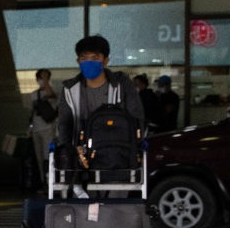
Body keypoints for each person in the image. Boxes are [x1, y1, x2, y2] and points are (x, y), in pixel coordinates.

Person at [54, 35, 145, 167]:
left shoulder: (122, 85)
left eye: (95, 58)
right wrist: (69, 148)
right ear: (78, 61)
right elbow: (64, 124)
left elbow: (137, 118)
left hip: (118, 155)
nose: (89, 62)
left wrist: (135, 146)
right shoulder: (70, 89)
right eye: (84, 58)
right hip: (80, 158)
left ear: (106, 61)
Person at [27, 67, 61, 163]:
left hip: (48, 128)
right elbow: (32, 111)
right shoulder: (34, 94)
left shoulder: (54, 91)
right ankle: (42, 172)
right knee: (39, 156)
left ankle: (48, 171)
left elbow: (52, 96)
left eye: (44, 78)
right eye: (40, 78)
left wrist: (45, 80)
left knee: (48, 155)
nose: (42, 80)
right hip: (35, 128)